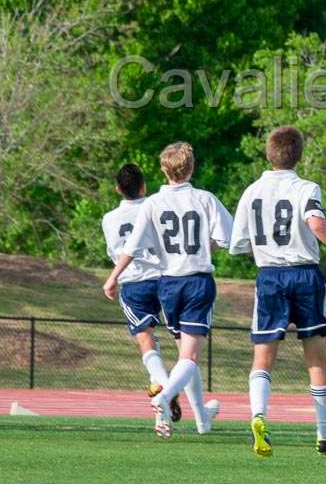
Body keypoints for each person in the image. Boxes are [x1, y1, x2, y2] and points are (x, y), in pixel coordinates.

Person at [230, 126, 326, 456]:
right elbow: (316, 223)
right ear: (299, 155)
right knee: (316, 358)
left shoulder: (252, 191)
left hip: (270, 276)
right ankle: (322, 434)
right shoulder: (305, 187)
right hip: (304, 276)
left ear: (269, 153)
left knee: (263, 358)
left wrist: (267, 253)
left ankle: (258, 417)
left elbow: (237, 245)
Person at [104, 144, 227, 438]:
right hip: (192, 280)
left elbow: (130, 248)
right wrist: (205, 249)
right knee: (188, 356)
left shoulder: (151, 203)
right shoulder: (205, 199)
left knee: (171, 350)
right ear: (192, 167)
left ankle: (201, 418)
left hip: (166, 283)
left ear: (163, 170)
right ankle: (165, 396)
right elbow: (228, 238)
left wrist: (112, 277)